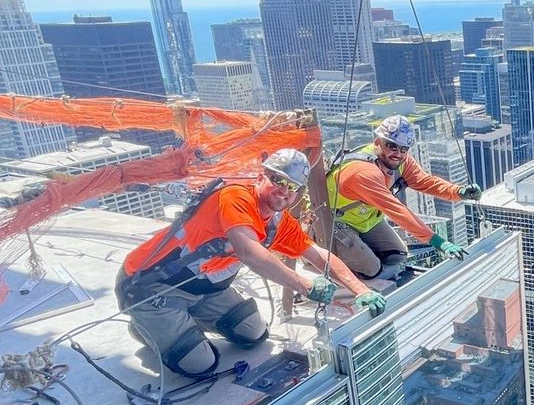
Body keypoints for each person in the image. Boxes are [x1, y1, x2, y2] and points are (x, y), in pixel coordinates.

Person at [117, 149, 387, 376]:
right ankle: (145, 325)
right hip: (152, 285)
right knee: (200, 364)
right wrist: (306, 285)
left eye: (292, 187)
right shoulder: (235, 198)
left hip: (205, 291)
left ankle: (182, 324)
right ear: (261, 176)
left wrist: (361, 290)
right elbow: (248, 251)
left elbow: (318, 254)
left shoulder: (277, 222)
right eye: (277, 180)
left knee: (253, 333)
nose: (284, 191)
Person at [326, 115, 482, 280]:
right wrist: (437, 241)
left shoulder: (400, 162)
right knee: (372, 269)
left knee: (397, 255)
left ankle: (360, 255)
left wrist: (458, 191)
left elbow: (424, 181)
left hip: (365, 220)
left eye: (403, 149)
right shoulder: (362, 172)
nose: (398, 154)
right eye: (392, 146)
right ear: (377, 142)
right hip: (336, 224)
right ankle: (342, 271)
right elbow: (397, 210)